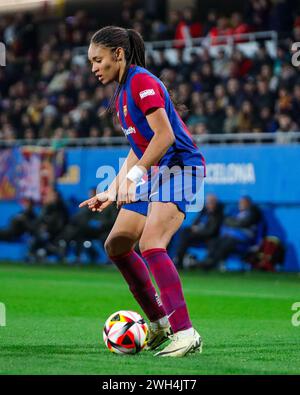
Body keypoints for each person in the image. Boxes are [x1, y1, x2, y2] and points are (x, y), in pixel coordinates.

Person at [79, 26, 206, 357]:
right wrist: (112, 190)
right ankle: (159, 323)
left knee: (151, 243)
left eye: (98, 59)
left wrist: (134, 178)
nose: (93, 67)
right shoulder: (122, 94)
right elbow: (140, 147)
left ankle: (185, 332)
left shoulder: (142, 81)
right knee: (117, 243)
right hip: (157, 172)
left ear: (118, 54)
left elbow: (163, 137)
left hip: (180, 167)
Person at [196, 196, 263, 270]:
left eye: (243, 202)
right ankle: (208, 260)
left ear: (249, 203)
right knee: (214, 241)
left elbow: (242, 224)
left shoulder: (253, 213)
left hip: (243, 239)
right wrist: (235, 223)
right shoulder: (237, 213)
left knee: (227, 242)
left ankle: (211, 263)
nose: (241, 204)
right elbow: (226, 220)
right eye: (240, 202)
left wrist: (234, 223)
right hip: (231, 237)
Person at [173, 194, 224, 269]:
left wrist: (198, 230)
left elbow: (211, 231)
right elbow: (195, 222)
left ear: (216, 203)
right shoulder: (204, 212)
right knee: (185, 232)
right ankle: (178, 260)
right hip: (198, 235)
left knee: (187, 236)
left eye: (211, 202)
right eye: (208, 202)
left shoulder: (218, 215)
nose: (209, 204)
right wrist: (194, 228)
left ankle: (206, 264)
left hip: (209, 237)